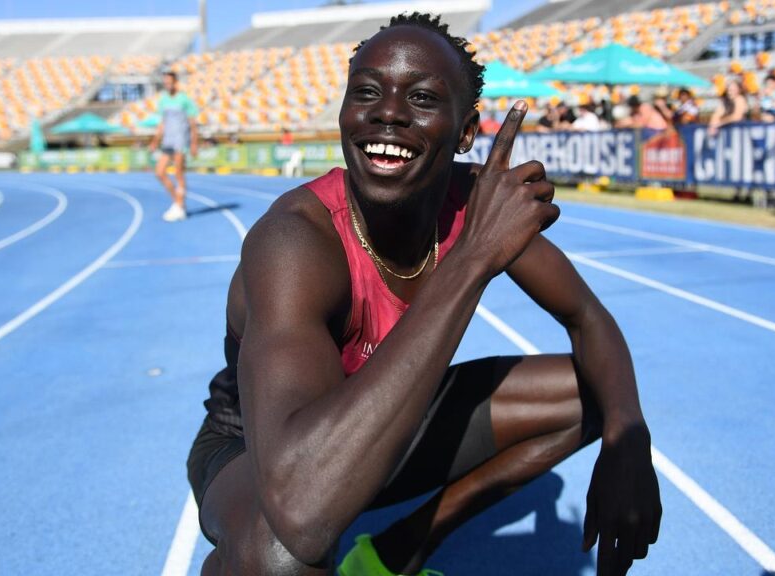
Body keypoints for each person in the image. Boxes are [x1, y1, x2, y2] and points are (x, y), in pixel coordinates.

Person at [187, 12, 661, 576]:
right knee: (282, 556)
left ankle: (400, 549)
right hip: (257, 448)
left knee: (596, 393)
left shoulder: (473, 204)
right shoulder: (294, 241)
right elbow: (301, 507)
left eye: (422, 97)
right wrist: (474, 259)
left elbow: (587, 317)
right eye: (366, 92)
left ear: (465, 132)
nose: (388, 112)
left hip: (399, 415)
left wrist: (629, 440)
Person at [149, 70, 199, 222]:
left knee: (178, 174)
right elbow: (162, 123)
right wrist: (155, 141)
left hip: (181, 141)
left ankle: (179, 206)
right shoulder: (163, 100)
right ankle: (178, 203)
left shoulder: (184, 100)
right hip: (167, 141)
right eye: (165, 82)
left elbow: (192, 124)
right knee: (159, 172)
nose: (167, 85)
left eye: (170, 82)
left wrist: (194, 143)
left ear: (175, 82)